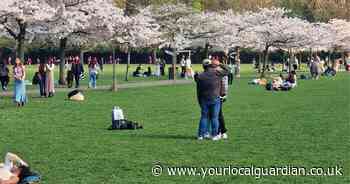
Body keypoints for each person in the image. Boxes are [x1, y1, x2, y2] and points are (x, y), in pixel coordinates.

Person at [195, 59, 229, 141]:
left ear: (203, 66)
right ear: (211, 65)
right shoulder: (217, 73)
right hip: (215, 98)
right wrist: (219, 63)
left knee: (204, 117)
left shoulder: (200, 76)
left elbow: (198, 90)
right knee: (215, 117)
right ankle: (214, 135)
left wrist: (199, 100)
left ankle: (200, 135)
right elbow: (228, 70)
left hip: (204, 99)